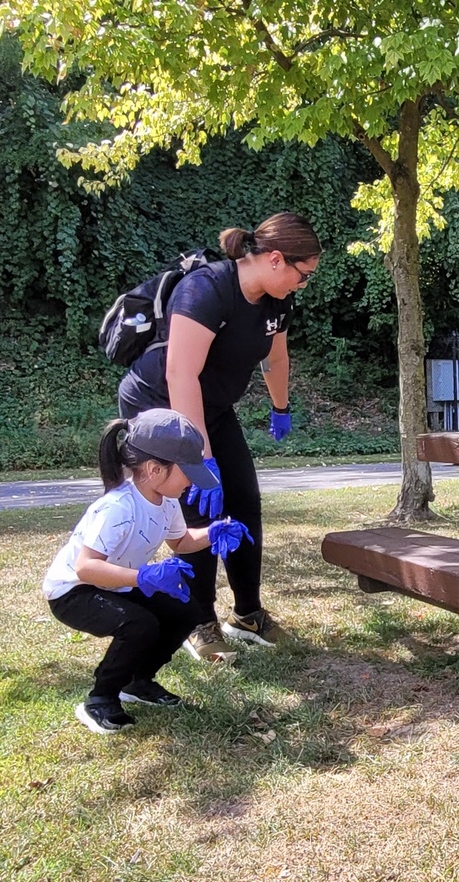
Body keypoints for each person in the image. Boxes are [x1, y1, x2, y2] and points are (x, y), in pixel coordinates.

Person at [118, 211, 322, 664]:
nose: (302, 285)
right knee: (196, 507)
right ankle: (198, 620)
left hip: (212, 408)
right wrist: (199, 457)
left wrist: (280, 406)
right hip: (159, 402)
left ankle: (248, 615)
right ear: (274, 259)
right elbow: (180, 373)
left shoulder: (277, 302)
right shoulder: (206, 290)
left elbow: (276, 357)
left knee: (244, 500)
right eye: (302, 275)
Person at [43, 409, 253, 734]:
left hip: (116, 582)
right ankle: (99, 700)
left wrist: (213, 532)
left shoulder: (167, 500)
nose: (191, 483)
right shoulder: (117, 509)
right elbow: (86, 568)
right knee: (139, 624)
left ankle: (137, 682)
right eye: (188, 473)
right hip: (74, 591)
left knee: (185, 611)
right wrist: (142, 577)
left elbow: (181, 541)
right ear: (155, 470)